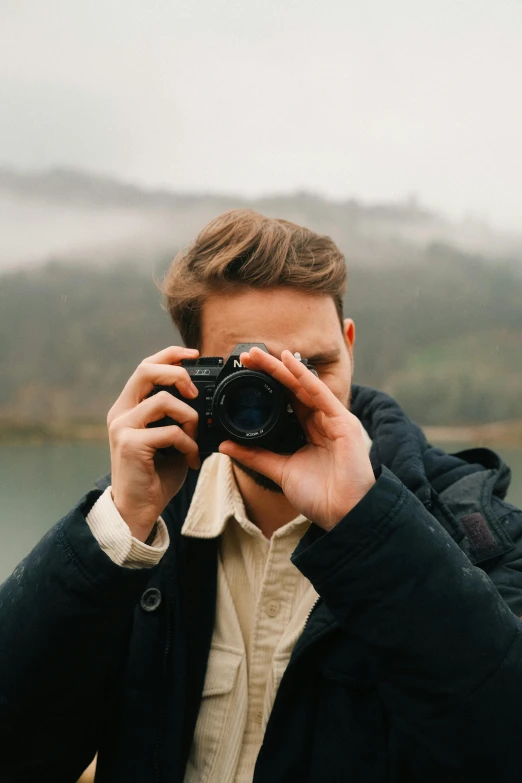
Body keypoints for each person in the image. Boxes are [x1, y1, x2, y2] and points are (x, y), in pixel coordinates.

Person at [1, 209, 522, 783]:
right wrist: (116, 529)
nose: (291, 397)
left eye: (313, 366)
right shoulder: (138, 526)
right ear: (190, 369)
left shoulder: (478, 532)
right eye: (251, 375)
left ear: (349, 348)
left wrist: (368, 526)